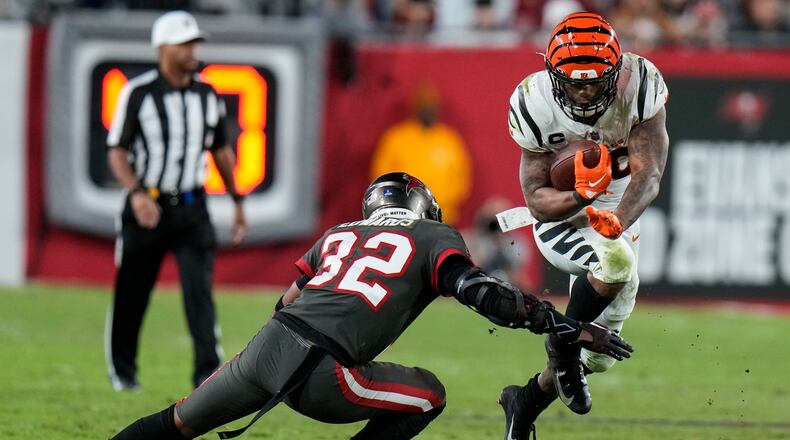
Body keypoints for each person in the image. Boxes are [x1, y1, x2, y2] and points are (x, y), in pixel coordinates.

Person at [110, 172, 633, 440]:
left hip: (267, 347)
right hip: (325, 371)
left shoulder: (339, 232)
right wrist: (565, 325)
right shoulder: (432, 234)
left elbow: (287, 301)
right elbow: (482, 295)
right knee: (429, 394)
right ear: (422, 208)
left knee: (176, 425)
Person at [501, 11, 669, 439]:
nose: (585, 90)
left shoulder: (640, 85)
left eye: (595, 80)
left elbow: (648, 175)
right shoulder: (533, 102)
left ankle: (525, 401)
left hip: (618, 210)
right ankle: (562, 344)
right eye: (574, 81)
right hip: (565, 219)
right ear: (552, 74)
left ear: (615, 71)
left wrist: (613, 221)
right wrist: (580, 195)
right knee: (615, 267)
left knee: (601, 357)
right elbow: (538, 201)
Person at [104, 10, 247, 391]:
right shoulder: (138, 93)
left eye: (194, 43)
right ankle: (123, 372)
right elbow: (116, 150)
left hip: (191, 207)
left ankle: (207, 374)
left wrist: (237, 199)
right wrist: (136, 194)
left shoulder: (207, 93)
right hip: (146, 206)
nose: (192, 50)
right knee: (132, 292)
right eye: (185, 43)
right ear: (163, 48)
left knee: (199, 294)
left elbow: (220, 150)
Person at [369, 81, 472, 225]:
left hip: (441, 217)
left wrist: (442, 201)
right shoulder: (396, 139)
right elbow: (381, 177)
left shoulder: (449, 140)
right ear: (415, 106)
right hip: (403, 217)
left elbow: (462, 177)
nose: (428, 109)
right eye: (424, 104)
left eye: (431, 105)